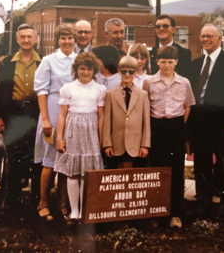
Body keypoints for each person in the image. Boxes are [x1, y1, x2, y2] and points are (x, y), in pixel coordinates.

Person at [188, 23, 224, 222]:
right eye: (203, 36)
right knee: (202, 168)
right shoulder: (196, 64)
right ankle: (203, 208)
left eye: (209, 36)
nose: (205, 40)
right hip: (200, 123)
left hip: (223, 123)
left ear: (219, 38)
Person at [143, 46, 195, 228]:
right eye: (163, 61)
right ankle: (156, 213)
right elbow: (145, 106)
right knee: (156, 170)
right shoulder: (149, 82)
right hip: (156, 127)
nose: (166, 65)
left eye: (170, 62)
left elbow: (188, 105)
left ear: (176, 62)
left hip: (175, 127)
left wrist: (180, 125)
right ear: (157, 61)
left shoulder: (184, 83)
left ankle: (175, 214)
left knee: (176, 171)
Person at [55, 52, 106, 224]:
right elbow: (62, 115)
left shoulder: (100, 89)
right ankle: (74, 211)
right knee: (73, 173)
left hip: (91, 131)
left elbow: (101, 116)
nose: (85, 72)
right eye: (82, 69)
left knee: (87, 174)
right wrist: (60, 138)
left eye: (89, 69)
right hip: (73, 130)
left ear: (94, 70)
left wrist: (101, 139)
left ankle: (85, 210)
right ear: (76, 70)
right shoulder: (68, 88)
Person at [0, 23, 42, 207]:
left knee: (36, 158)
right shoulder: (7, 62)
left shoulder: (43, 61)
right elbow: (0, 91)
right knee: (14, 158)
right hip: (14, 113)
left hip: (35, 112)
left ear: (35, 39)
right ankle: (13, 200)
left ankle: (37, 200)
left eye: (29, 36)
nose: (26, 40)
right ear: (17, 39)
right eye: (22, 37)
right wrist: (0, 117)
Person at [34, 24, 77, 221]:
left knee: (67, 161)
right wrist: (45, 118)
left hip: (74, 113)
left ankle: (63, 203)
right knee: (50, 161)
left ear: (75, 40)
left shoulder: (79, 61)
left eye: (70, 38)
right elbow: (41, 91)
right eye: (63, 38)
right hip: (52, 111)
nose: (67, 41)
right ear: (57, 40)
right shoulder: (48, 60)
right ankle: (43, 202)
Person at [103, 56, 151, 169]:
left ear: (135, 73)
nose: (127, 74)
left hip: (136, 144)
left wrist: (145, 145)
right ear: (119, 72)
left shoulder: (143, 95)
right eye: (124, 71)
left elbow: (146, 123)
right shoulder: (110, 94)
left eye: (131, 71)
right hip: (116, 144)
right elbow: (107, 121)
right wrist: (107, 144)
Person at [150, 14, 192, 79]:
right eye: (158, 26)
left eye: (165, 26)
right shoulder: (151, 53)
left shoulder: (184, 53)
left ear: (173, 29)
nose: (161, 28)